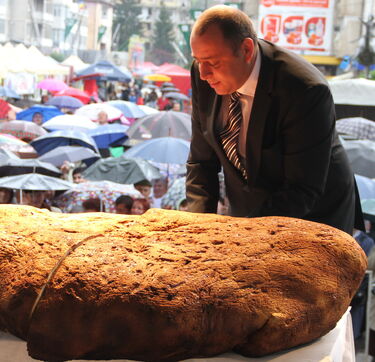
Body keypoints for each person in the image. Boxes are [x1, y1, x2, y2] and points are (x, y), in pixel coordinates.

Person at [186, 5, 363, 234]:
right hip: (248, 214)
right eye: (198, 61)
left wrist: (243, 235)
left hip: (313, 219)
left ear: (247, 50)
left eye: (213, 62)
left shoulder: (304, 89)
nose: (204, 74)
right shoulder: (202, 73)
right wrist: (198, 230)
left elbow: (301, 189)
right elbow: (201, 162)